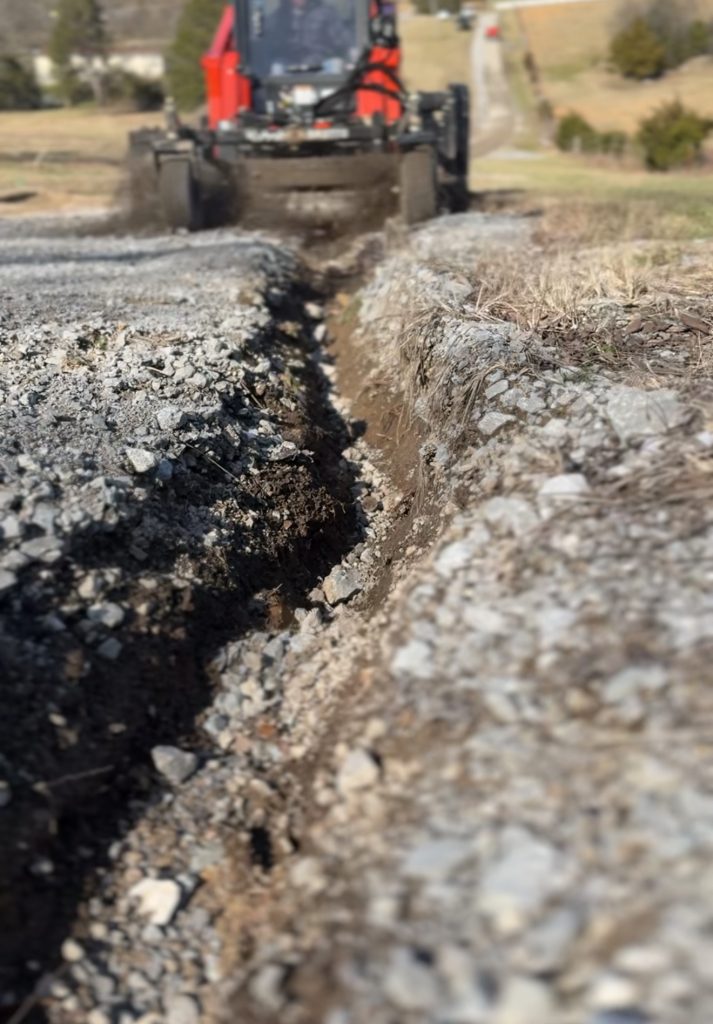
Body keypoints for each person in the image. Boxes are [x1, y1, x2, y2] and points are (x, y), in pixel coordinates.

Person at [266, 0, 352, 70]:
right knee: (276, 67)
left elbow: (342, 42)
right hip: (289, 69)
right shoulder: (278, 18)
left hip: (321, 67)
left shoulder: (326, 13)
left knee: (335, 64)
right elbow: (270, 48)